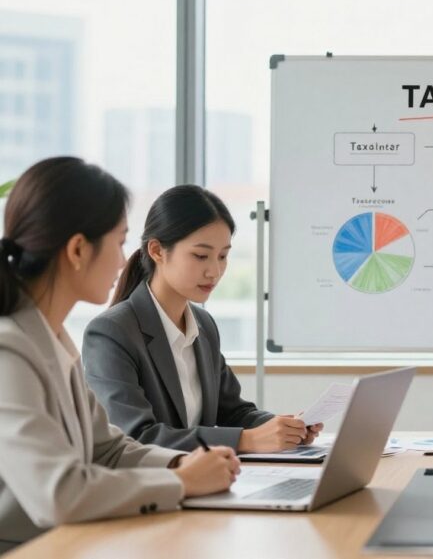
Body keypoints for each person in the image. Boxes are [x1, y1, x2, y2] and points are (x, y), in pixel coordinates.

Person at [0, 157, 239, 552]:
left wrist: (180, 463)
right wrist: (180, 482)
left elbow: (107, 448)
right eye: (119, 241)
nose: (123, 259)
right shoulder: (9, 351)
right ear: (78, 249)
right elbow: (59, 493)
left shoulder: (54, 341)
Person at [82, 185, 323, 453]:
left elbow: (234, 411)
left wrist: (286, 428)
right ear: (157, 251)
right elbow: (136, 437)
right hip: (154, 478)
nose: (215, 271)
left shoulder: (203, 325)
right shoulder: (111, 332)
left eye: (223, 256)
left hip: (205, 475)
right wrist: (247, 440)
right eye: (200, 256)